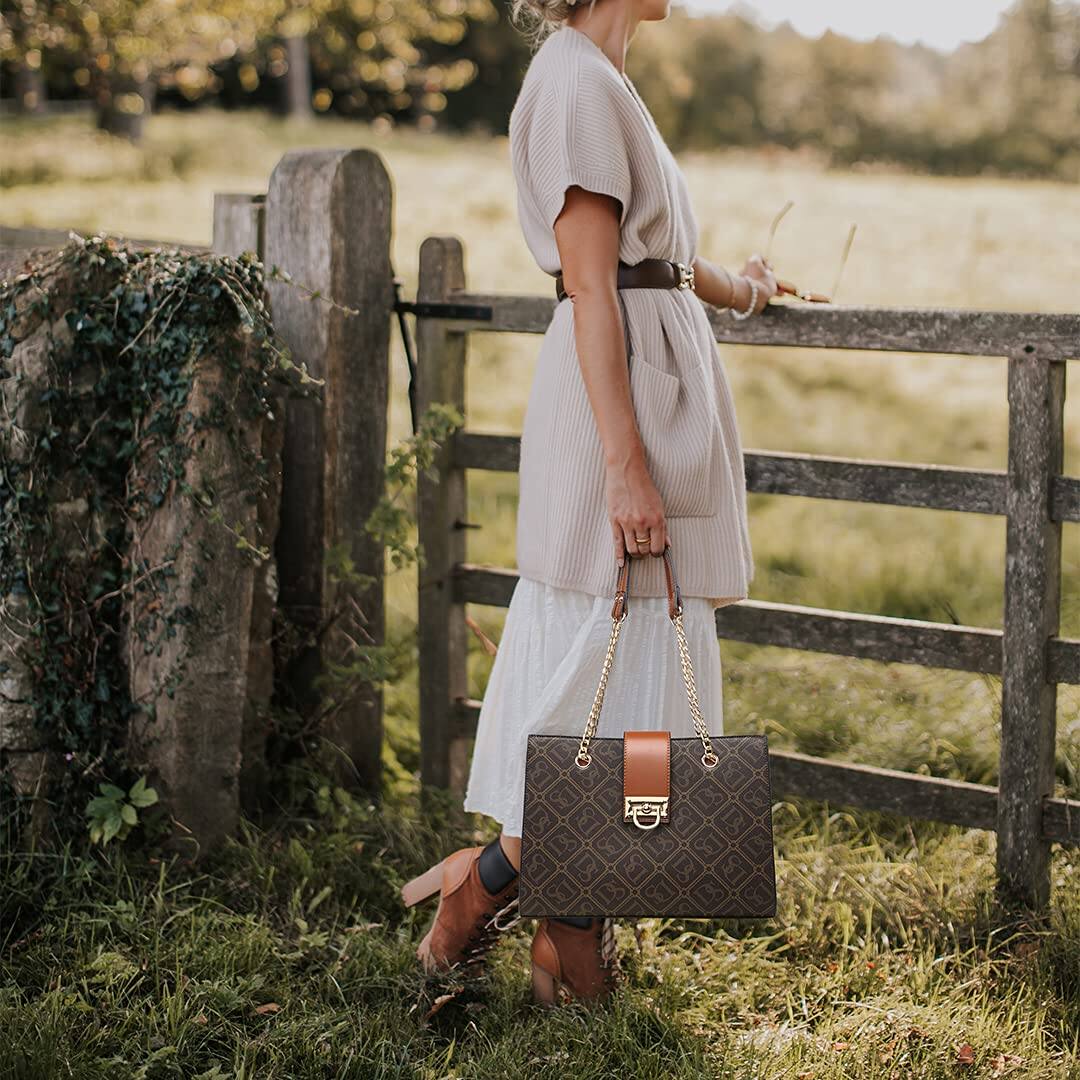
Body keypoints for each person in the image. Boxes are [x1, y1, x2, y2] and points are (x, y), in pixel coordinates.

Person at [401, 0, 779, 1005]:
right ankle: (486, 900)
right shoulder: (572, 83)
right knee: (598, 691)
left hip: (647, 394)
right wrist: (624, 465)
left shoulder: (601, 77)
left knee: (636, 699)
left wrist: (740, 288)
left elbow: (651, 255)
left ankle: (554, 936)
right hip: (617, 413)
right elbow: (591, 283)